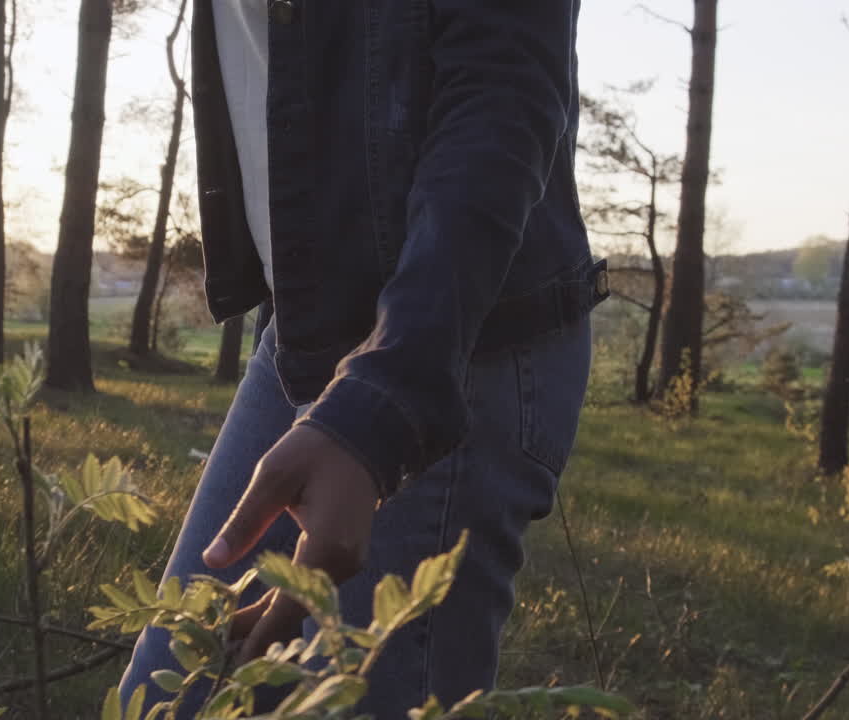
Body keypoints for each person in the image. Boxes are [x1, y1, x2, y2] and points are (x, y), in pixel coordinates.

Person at [120, 0, 605, 714]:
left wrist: (383, 408)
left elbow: (502, 91)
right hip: (306, 330)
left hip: (451, 344)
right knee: (178, 689)